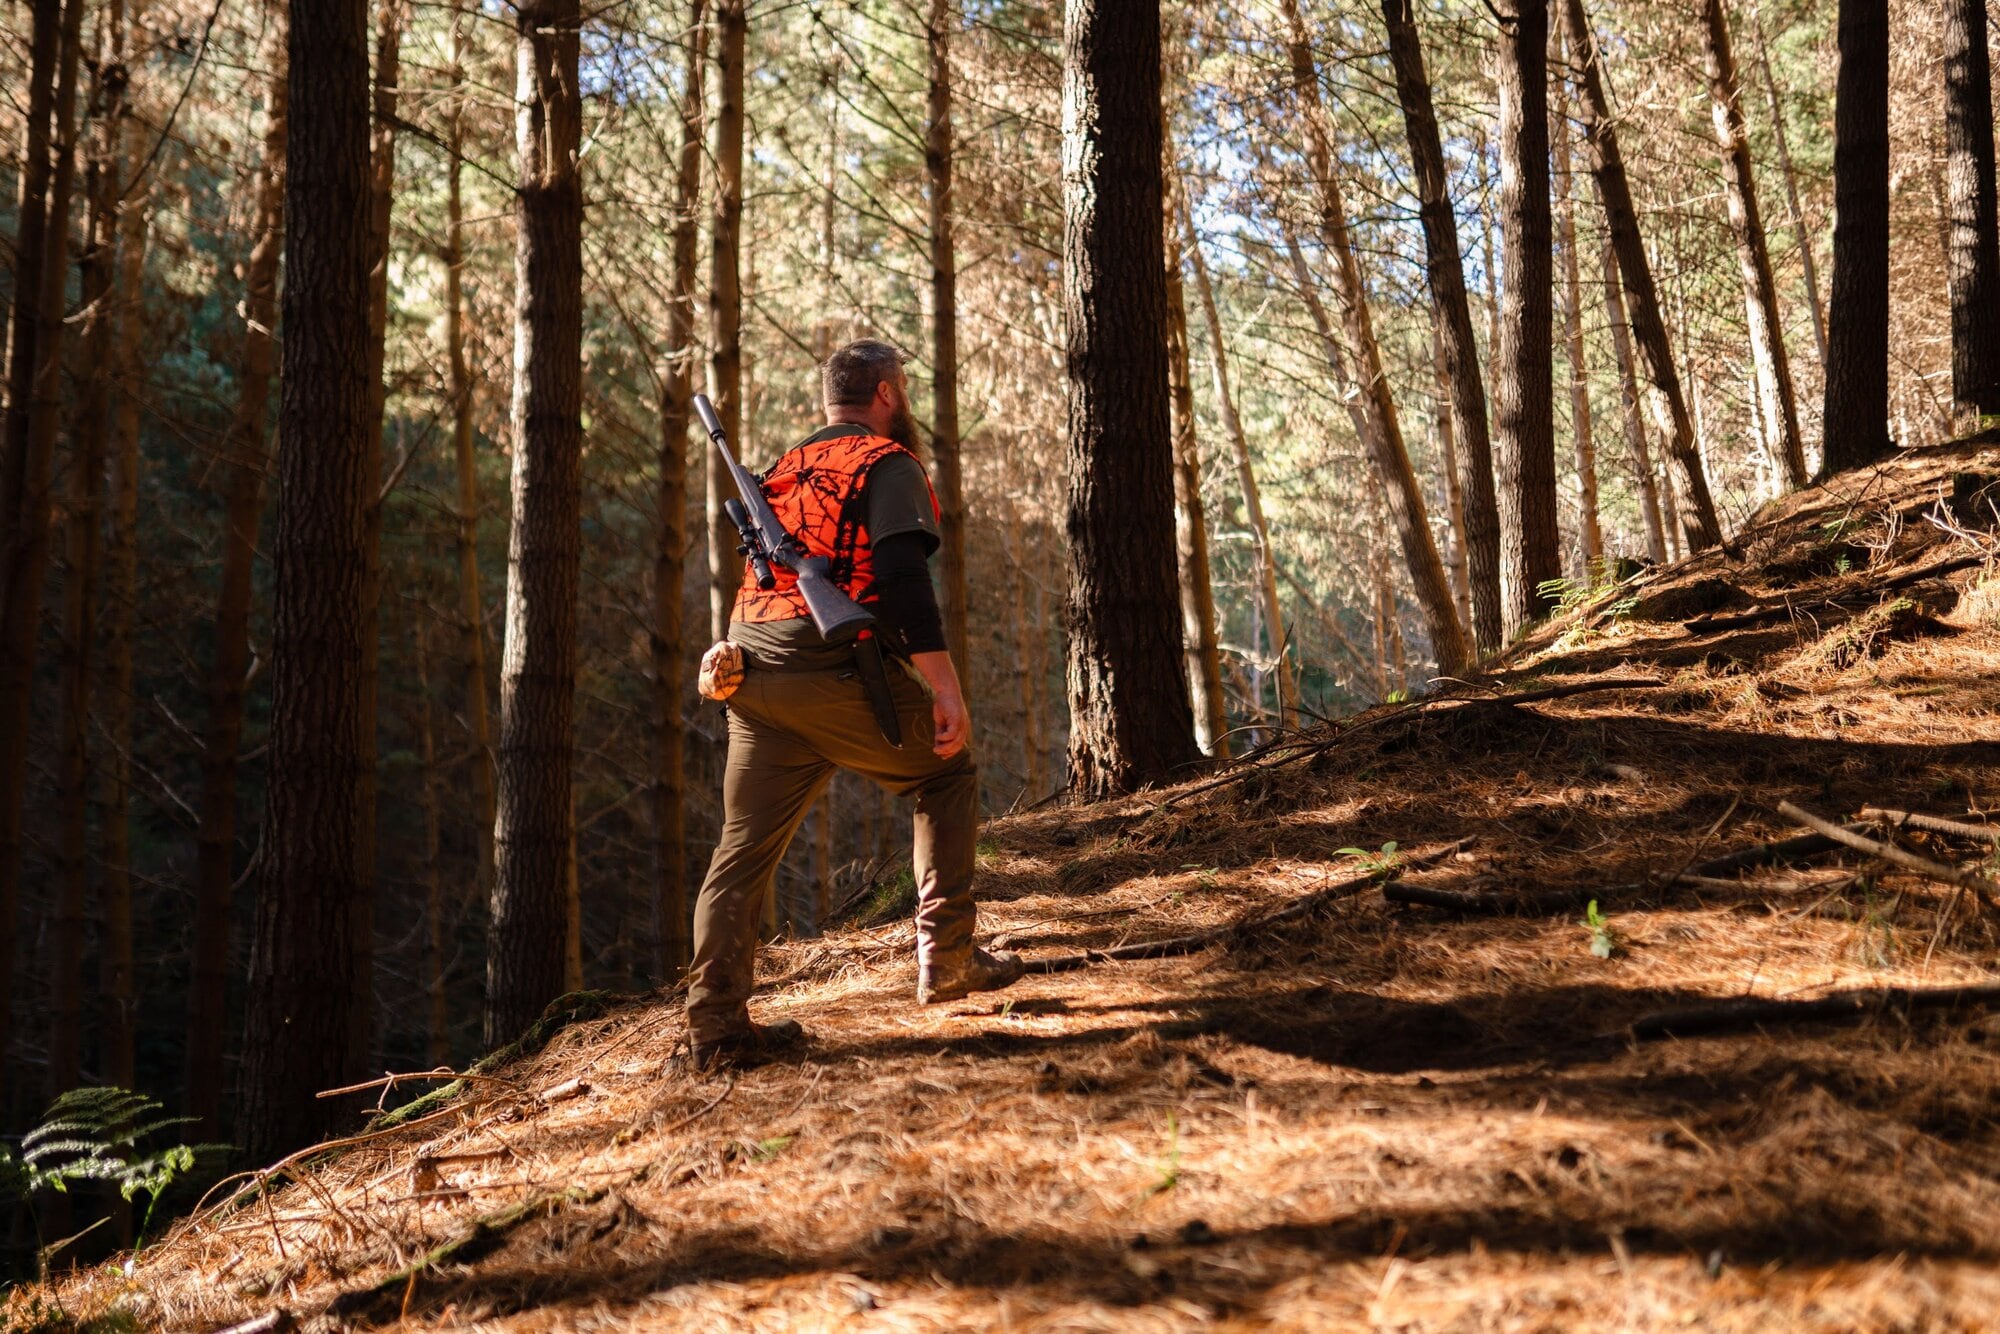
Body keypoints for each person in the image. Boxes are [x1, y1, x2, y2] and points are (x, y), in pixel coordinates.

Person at [682, 338, 1023, 1070]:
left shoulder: (780, 467)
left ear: (827, 399)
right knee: (946, 773)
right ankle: (949, 957)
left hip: (754, 668)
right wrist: (945, 688)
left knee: (739, 851)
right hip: (828, 663)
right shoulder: (887, 463)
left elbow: (766, 575)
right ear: (890, 394)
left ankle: (713, 1025)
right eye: (905, 389)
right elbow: (903, 582)